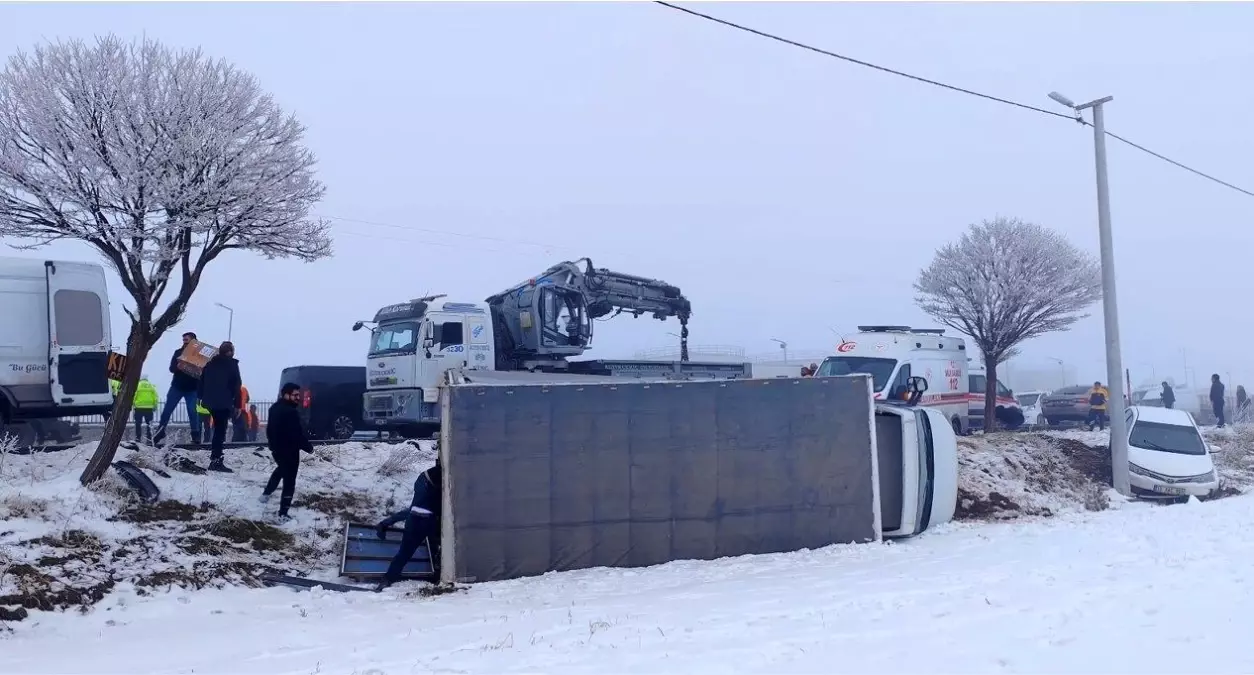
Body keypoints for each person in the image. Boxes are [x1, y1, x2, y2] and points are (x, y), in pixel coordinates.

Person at [375, 458, 442, 590]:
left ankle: (388, 578)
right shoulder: (433, 498)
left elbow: (411, 510)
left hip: (419, 520)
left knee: (405, 553)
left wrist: (386, 523)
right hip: (424, 520)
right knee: (430, 549)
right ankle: (437, 576)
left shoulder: (425, 496)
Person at [260, 383, 315, 520]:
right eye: (295, 395)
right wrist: (309, 447)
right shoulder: (290, 412)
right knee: (290, 482)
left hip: (277, 450)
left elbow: (270, 430)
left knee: (280, 470)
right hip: (290, 451)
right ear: (286, 395)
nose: (298, 398)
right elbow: (296, 435)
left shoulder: (274, 408)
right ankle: (283, 514)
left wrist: (272, 446)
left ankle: (265, 495)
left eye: (298, 395)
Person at [198, 341, 242, 472]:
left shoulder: (209, 364)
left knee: (217, 429)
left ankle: (216, 458)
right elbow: (237, 386)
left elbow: (201, 381)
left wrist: (200, 397)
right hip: (223, 403)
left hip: (210, 402)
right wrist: (238, 405)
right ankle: (216, 461)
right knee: (219, 431)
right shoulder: (232, 365)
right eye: (233, 350)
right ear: (229, 352)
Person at [154, 332, 203, 446]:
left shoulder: (200, 355)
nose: (185, 342)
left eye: (187, 340)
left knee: (192, 411)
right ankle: (160, 432)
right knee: (167, 410)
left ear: (194, 342)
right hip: (177, 386)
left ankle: (195, 435)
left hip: (192, 388)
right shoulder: (178, 353)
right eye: (184, 340)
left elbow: (203, 372)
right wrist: (178, 367)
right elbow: (171, 369)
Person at [132, 375, 159, 443]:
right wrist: (155, 406)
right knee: (149, 424)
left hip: (139, 408)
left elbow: (134, 395)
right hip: (149, 408)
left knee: (138, 424)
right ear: (147, 379)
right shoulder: (151, 386)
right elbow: (155, 396)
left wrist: (133, 404)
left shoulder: (138, 385)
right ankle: (149, 439)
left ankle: (138, 439)